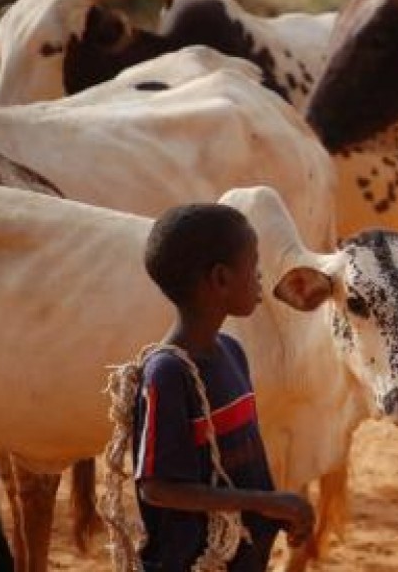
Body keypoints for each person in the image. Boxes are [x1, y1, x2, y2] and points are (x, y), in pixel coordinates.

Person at [130, 203, 314, 571]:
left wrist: (272, 512)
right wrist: (267, 503)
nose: (260, 276)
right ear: (221, 279)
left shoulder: (232, 352)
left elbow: (244, 463)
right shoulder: (167, 373)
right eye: (253, 264)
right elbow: (157, 487)